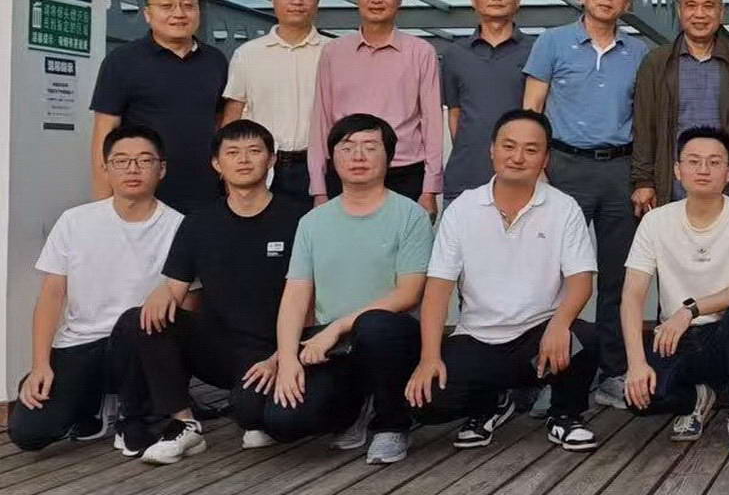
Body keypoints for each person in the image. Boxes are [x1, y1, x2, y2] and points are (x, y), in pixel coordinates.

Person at [404, 109, 600, 452]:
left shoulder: (563, 207)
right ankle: (490, 405)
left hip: (538, 338)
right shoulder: (462, 209)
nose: (518, 157)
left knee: (584, 338)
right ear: (492, 150)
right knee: (427, 402)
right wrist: (429, 357)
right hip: (477, 338)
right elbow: (437, 291)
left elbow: (582, 279)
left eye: (531, 149)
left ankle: (564, 415)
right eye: (509, 146)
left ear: (545, 158)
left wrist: (559, 325)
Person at [123, 120, 308, 463]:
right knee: (141, 319)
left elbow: (311, 298)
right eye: (232, 153)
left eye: (254, 151)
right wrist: (162, 292)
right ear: (216, 163)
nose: (243, 160)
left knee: (252, 415)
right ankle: (184, 424)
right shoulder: (199, 222)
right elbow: (176, 287)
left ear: (271, 159)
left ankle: (251, 411)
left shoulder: (299, 218)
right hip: (216, 346)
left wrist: (284, 354)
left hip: (271, 349)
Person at [264, 113, 432, 464]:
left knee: (375, 326)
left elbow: (409, 294)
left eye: (370, 147)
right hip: (332, 347)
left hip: (391, 340)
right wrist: (288, 356)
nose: (358, 156)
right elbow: (295, 296)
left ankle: (392, 424)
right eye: (347, 147)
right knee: (282, 420)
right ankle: (355, 408)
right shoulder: (312, 222)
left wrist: (339, 326)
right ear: (332, 157)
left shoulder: (410, 215)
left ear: (389, 157)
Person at [522, 0, 648, 411]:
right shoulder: (552, 42)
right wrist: (536, 167)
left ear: (627, 2)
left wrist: (643, 177)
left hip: (619, 169)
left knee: (618, 274)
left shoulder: (640, 53)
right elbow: (532, 106)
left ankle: (613, 372)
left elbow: (645, 118)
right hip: (564, 166)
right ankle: (548, 371)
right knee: (553, 272)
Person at [10, 126, 183, 452]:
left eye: (144, 160)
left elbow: (190, 304)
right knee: (29, 432)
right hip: (81, 345)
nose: (132, 169)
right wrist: (40, 364)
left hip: (141, 347)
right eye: (121, 161)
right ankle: (94, 404)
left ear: (162, 168)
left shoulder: (178, 226)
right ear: (105, 168)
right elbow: (51, 296)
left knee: (134, 325)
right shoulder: (75, 221)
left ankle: (133, 412)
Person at [623, 127, 729, 458]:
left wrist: (690, 309)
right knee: (638, 398)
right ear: (678, 170)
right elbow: (632, 295)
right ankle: (697, 397)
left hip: (726, 338)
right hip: (674, 339)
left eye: (714, 162)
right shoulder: (656, 221)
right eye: (693, 161)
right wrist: (636, 363)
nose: (703, 170)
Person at [308, 0, 444, 212]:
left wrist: (430, 189)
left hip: (404, 171)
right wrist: (319, 188)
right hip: (346, 170)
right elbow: (321, 120)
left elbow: (432, 123)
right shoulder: (334, 52)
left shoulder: (421, 52)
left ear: (399, 0)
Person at [89, 0, 227, 213]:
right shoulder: (122, 61)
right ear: (147, 14)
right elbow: (104, 133)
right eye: (167, 6)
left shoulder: (216, 61)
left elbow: (220, 124)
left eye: (188, 5)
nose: (179, 13)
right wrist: (103, 208)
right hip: (143, 195)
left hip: (206, 194)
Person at [631, 0, 729, 209]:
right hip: (672, 187)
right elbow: (644, 125)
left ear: (721, 13)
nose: (699, 14)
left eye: (708, 6)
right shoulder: (657, 62)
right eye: (691, 6)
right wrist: (643, 181)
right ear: (679, 11)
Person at [221, 0, 328, 203]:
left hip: (321, 167)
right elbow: (233, 113)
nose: (297, 1)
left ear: (317, 1)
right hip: (263, 167)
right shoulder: (248, 54)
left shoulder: (333, 52)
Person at [439, 0, 535, 210]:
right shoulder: (455, 54)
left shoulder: (537, 51)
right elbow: (455, 113)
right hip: (466, 176)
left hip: (522, 177)